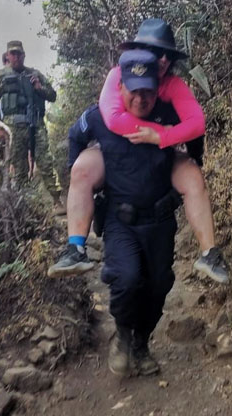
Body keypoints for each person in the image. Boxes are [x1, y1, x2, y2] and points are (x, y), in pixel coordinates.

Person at [49, 18, 230, 284]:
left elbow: (197, 123)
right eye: (156, 53)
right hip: (118, 157)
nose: (163, 60)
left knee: (193, 177)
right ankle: (75, 248)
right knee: (82, 170)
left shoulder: (172, 84)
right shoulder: (117, 76)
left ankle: (209, 253)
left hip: (161, 159)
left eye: (167, 55)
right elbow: (111, 119)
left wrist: (163, 137)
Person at [75, 49, 179, 376]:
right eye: (134, 90)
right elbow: (74, 137)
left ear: (156, 89)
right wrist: (84, 172)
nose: (141, 98)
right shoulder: (100, 117)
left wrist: (188, 165)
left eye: (148, 90)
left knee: (159, 284)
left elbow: (195, 137)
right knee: (128, 278)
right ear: (120, 88)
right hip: (121, 219)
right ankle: (121, 334)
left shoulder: (168, 113)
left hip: (161, 220)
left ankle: (142, 342)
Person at [0, 40, 60, 201]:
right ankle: (26, 203)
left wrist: (39, 88)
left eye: (19, 54)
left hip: (35, 124)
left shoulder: (35, 74)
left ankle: (57, 199)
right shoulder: (0, 76)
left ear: (24, 55)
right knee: (20, 168)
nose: (16, 57)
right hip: (12, 128)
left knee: (46, 162)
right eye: (12, 54)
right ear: (8, 56)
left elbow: (53, 96)